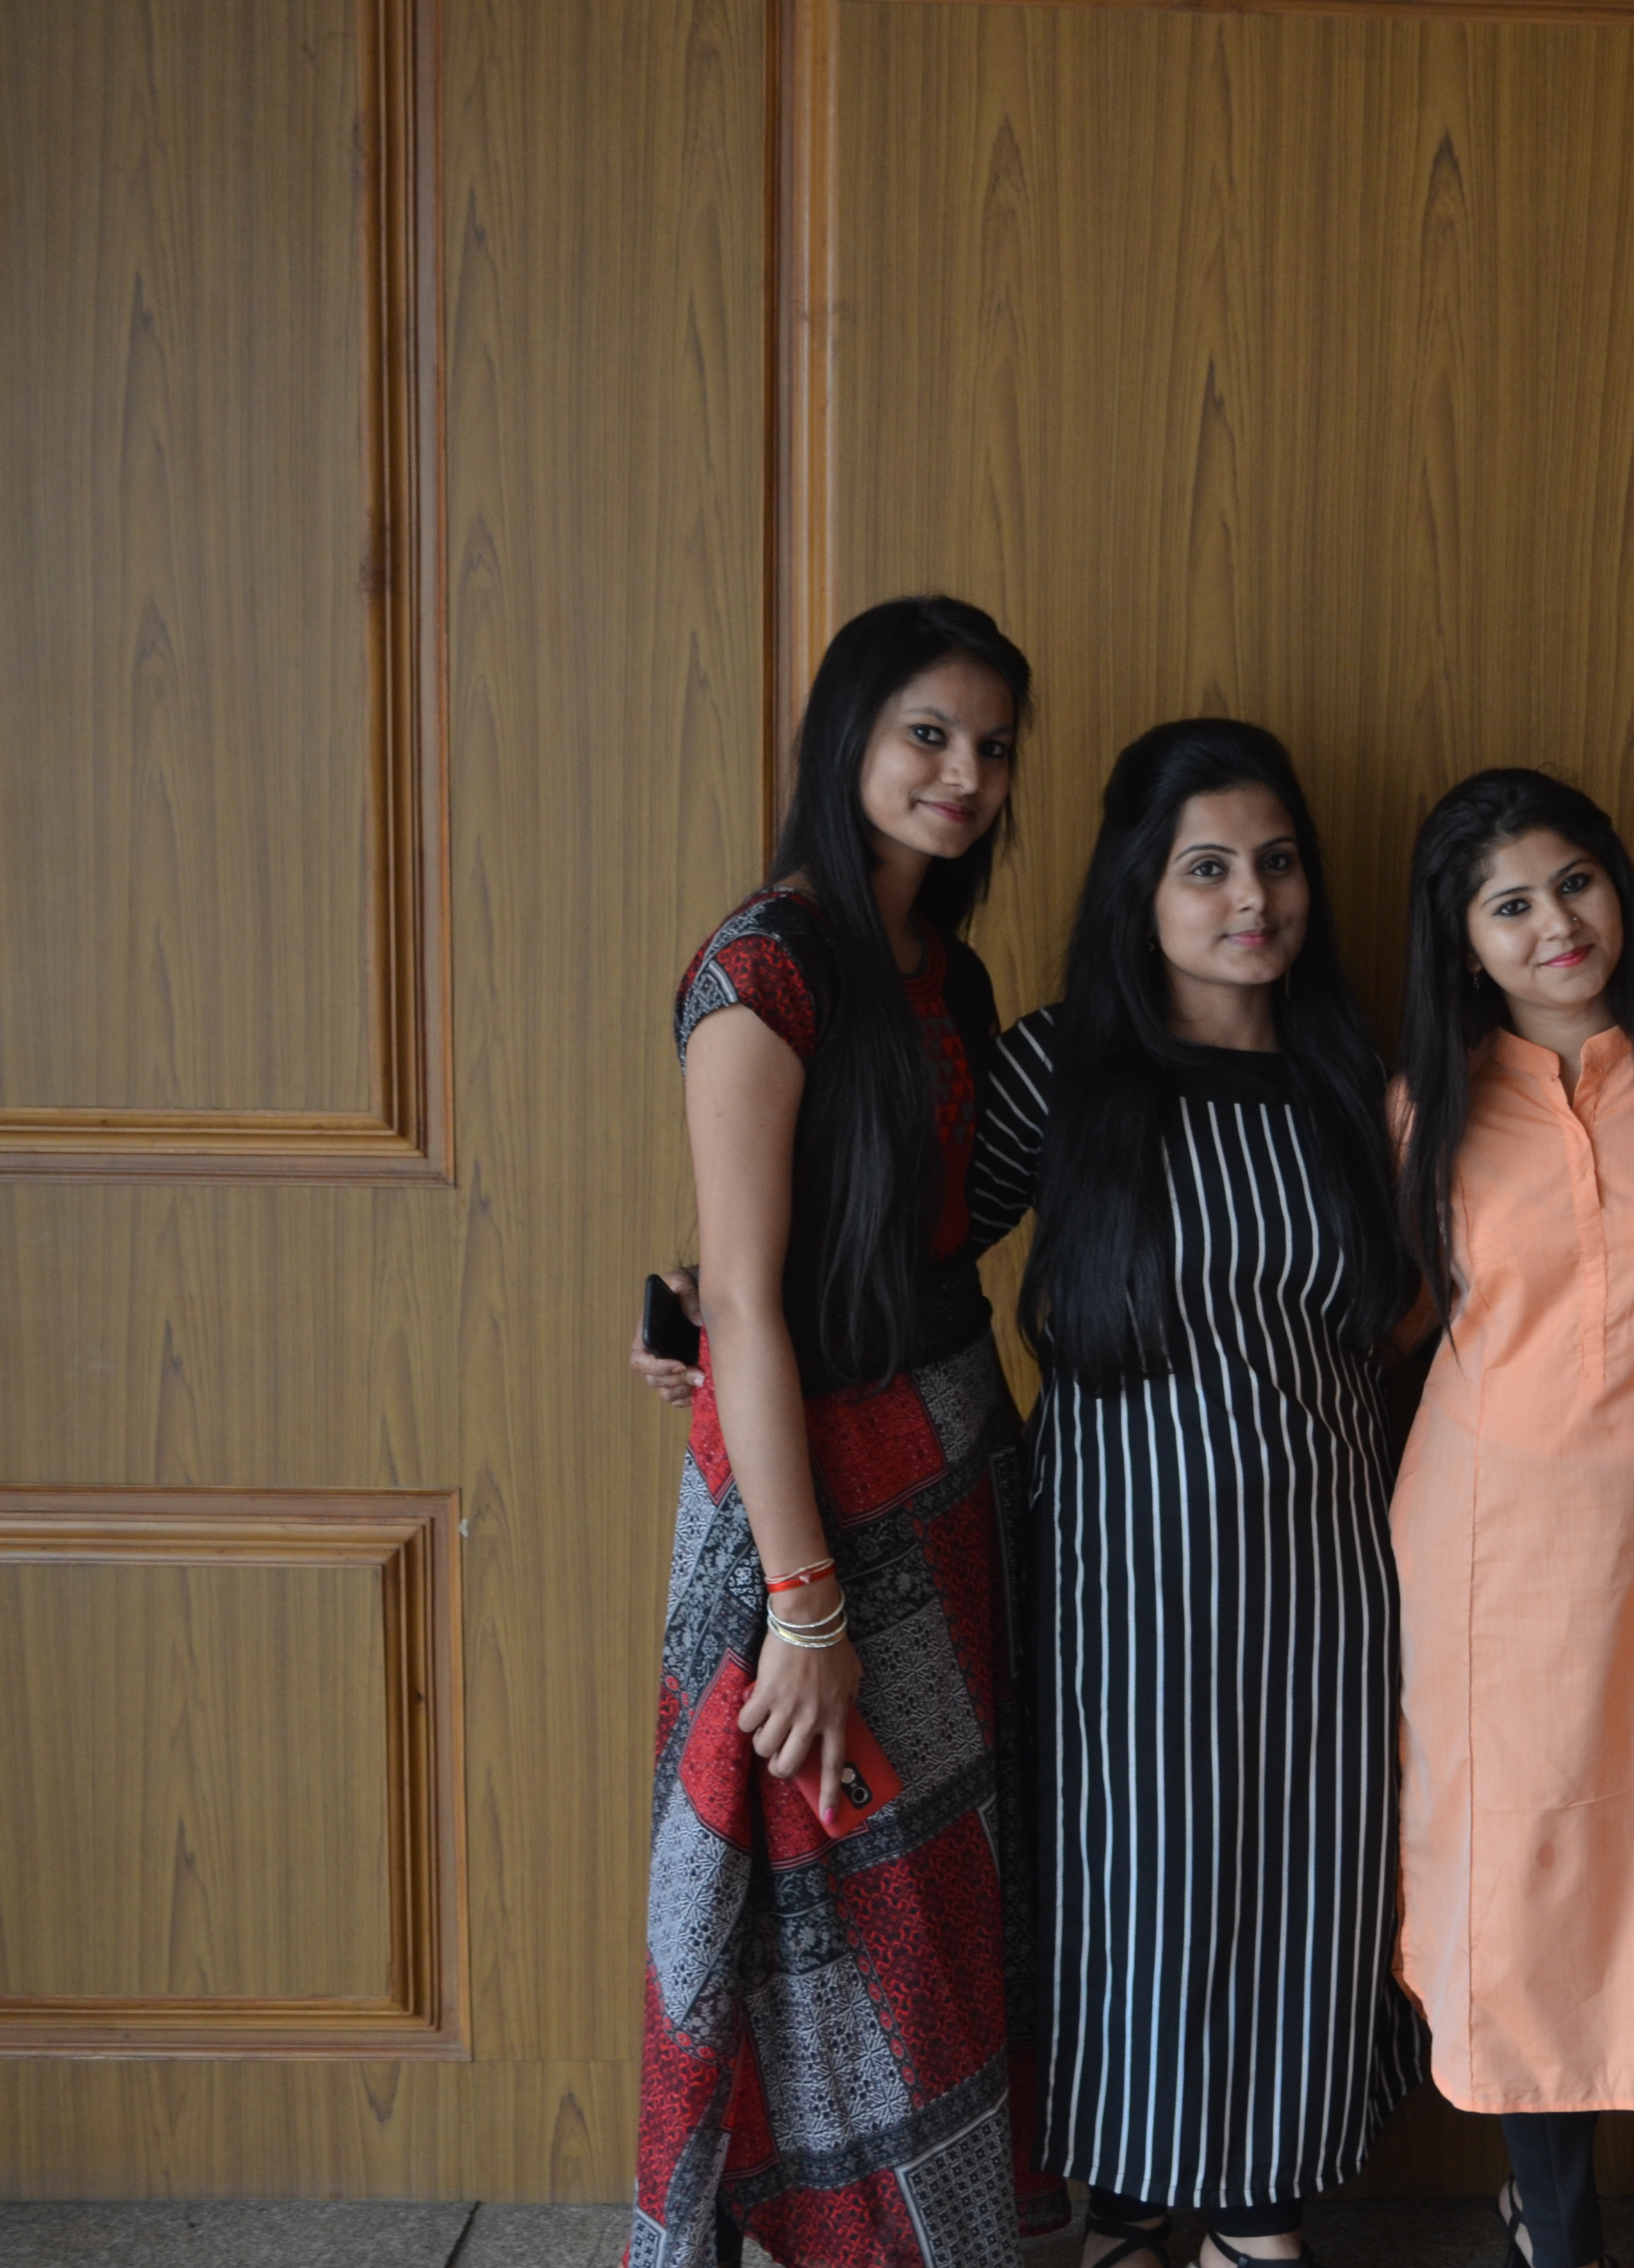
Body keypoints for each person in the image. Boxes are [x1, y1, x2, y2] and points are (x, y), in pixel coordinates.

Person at [630, 595, 1064, 2268]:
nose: (965, 775)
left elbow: (891, 1232)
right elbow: (748, 1304)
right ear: (848, 740)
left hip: (955, 1465)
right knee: (816, 1902)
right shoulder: (764, 970)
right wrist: (803, 1611)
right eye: (927, 734)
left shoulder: (946, 968)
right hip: (806, 1493)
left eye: (992, 747)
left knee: (942, 1897)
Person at [971, 721, 1423, 2268]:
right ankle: (1129, 2199)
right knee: (1140, 1883)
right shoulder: (1058, 1070)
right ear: (1140, 889)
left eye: (1277, 864)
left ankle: (1258, 2213)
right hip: (1122, 1567)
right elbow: (905, 1250)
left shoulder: (1355, 1080)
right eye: (1209, 867)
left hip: (1328, 1565)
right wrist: (716, 1300)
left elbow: (1419, 1307)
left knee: (1309, 1878)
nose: (1253, 899)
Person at [1388, 771, 1634, 2268]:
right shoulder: (1423, 1107)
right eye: (1509, 905)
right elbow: (1384, 1326)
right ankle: (1556, 2217)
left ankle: (1560, 2198)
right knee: (1512, 1872)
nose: (1555, 924)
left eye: (1574, 882)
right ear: (1462, 940)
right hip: (1486, 1551)